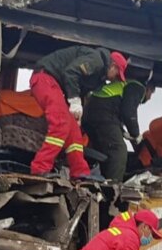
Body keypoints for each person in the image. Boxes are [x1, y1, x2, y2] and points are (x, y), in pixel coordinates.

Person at [29, 46, 128, 180]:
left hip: (54, 85)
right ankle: (40, 168)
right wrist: (75, 102)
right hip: (45, 78)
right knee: (61, 123)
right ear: (113, 66)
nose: (114, 79)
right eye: (117, 74)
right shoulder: (96, 61)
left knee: (74, 131)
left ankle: (80, 173)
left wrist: (77, 110)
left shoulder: (98, 77)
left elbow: (79, 88)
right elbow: (70, 73)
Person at [83, 71, 154, 182]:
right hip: (102, 113)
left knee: (104, 151)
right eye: (151, 94)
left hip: (91, 113)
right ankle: (114, 186)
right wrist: (135, 134)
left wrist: (123, 132)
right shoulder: (138, 87)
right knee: (118, 150)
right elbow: (128, 112)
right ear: (148, 89)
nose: (150, 98)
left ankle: (100, 180)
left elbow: (116, 109)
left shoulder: (125, 85)